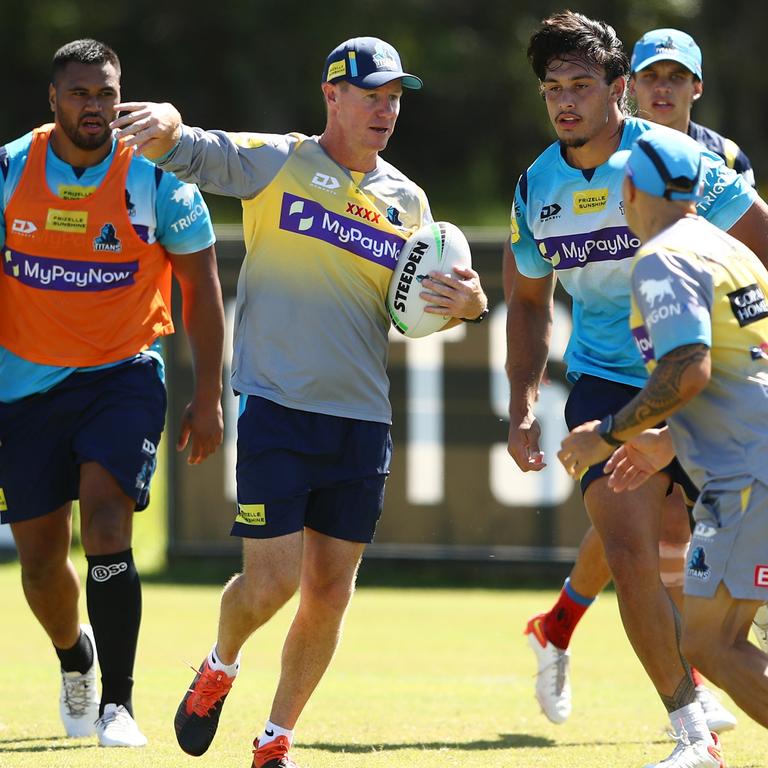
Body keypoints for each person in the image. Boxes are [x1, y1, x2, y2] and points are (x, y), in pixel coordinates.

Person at [111, 36, 488, 768]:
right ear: (332, 95)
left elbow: (424, 308)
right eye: (372, 94)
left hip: (362, 419)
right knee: (272, 582)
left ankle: (276, 738)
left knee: (329, 593)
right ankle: (220, 662)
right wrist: (163, 124)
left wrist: (467, 303)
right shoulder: (277, 160)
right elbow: (192, 148)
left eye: (395, 97)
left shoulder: (409, 200)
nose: (386, 109)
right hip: (277, 406)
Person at [506, 11, 768, 766]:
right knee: (629, 546)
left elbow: (761, 254)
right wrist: (525, 405)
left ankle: (565, 625)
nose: (564, 101)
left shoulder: (674, 162)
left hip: (709, 384)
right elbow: (527, 301)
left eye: (581, 85)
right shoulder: (535, 185)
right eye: (552, 87)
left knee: (706, 579)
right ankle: (693, 734)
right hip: (606, 379)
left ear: (616, 89)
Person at [0, 40, 224, 747]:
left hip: (121, 375)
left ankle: (118, 706)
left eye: (105, 93)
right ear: (53, 99)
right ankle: (76, 657)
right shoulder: (9, 170)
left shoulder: (157, 178)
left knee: (105, 527)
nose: (93, 107)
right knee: (40, 562)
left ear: (120, 94)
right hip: (23, 385)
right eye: (78, 94)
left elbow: (202, 289)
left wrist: (208, 395)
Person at [558, 125, 768, 734]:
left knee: (713, 644)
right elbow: (742, 367)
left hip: (744, 476)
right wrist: (664, 441)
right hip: (749, 463)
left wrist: (609, 433)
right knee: (714, 639)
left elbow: (688, 368)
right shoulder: (728, 250)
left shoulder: (662, 257)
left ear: (628, 186)